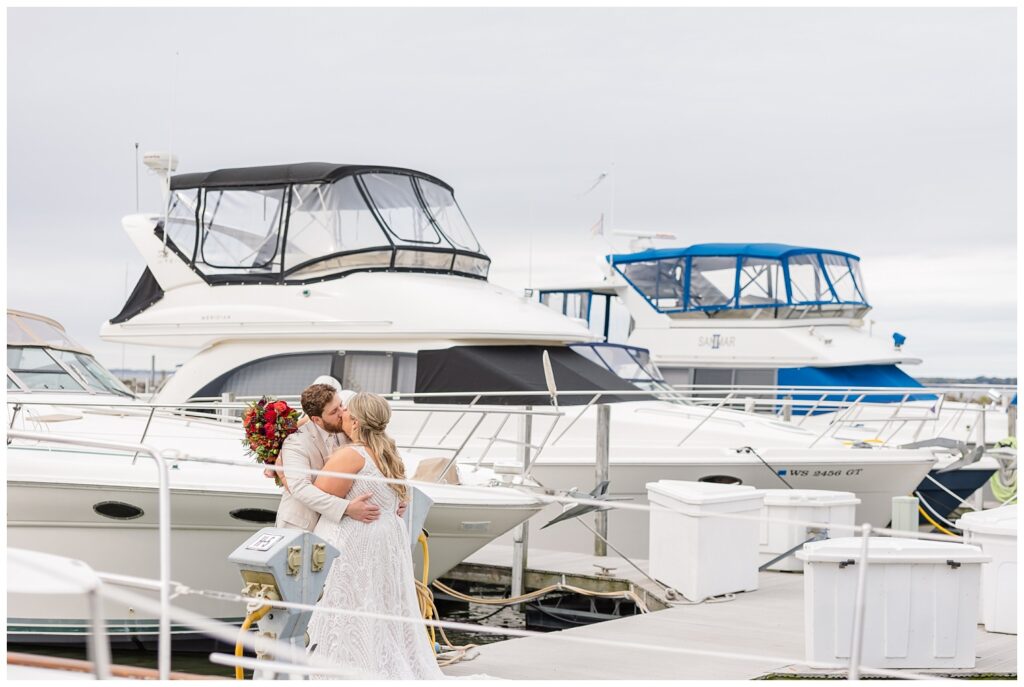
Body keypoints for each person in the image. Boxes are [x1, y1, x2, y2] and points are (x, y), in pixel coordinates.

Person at [305, 392, 445, 680]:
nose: (341, 412)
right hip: (386, 540)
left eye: (346, 411)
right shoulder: (388, 453)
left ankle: (349, 664)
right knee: (377, 600)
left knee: (351, 603)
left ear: (354, 422)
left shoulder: (350, 455)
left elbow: (318, 492)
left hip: (359, 541)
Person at [274, 383, 381, 530]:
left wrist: (393, 501)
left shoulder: (348, 427)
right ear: (316, 419)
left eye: (341, 405)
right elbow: (300, 488)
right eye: (334, 411)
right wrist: (346, 508)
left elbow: (372, 462)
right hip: (302, 525)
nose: (342, 412)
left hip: (337, 529)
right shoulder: (296, 442)